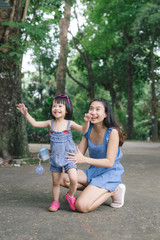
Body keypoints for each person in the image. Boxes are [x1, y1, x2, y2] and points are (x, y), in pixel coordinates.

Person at [17, 94, 90, 212]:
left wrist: (86, 122)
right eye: (54, 106)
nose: (57, 108)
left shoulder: (69, 123)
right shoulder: (50, 123)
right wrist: (26, 114)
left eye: (60, 106)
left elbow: (83, 130)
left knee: (74, 178)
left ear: (67, 110)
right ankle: (55, 202)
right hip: (56, 158)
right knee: (55, 182)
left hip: (69, 157)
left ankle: (70, 196)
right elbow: (35, 123)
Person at [61, 98, 126, 213]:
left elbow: (109, 162)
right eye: (91, 109)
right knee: (63, 178)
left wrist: (85, 159)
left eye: (97, 109)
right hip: (94, 172)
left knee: (81, 206)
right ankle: (95, 189)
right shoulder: (89, 128)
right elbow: (77, 155)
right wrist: (58, 152)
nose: (93, 112)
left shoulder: (113, 132)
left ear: (105, 114)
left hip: (109, 173)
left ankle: (114, 189)